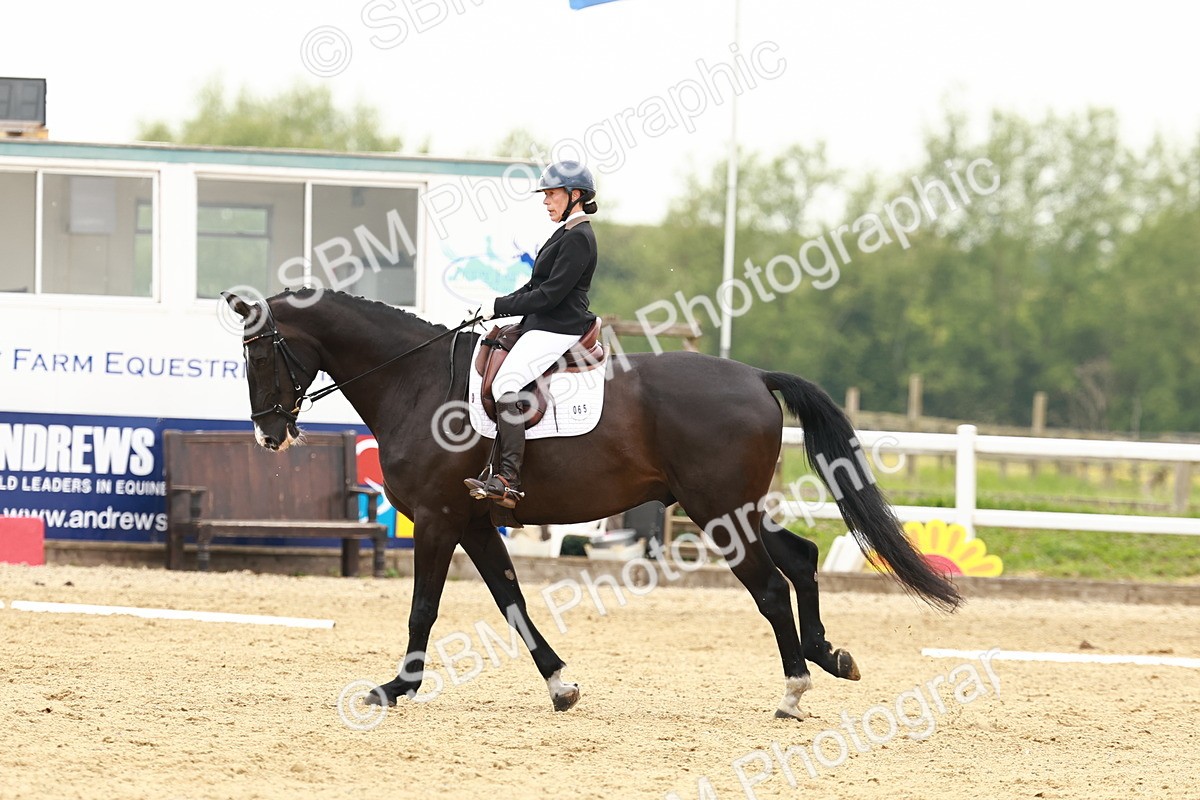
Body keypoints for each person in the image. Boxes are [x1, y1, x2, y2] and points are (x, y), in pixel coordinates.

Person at [464, 160, 599, 508]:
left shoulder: (580, 238)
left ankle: (509, 479)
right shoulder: (563, 234)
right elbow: (534, 285)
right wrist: (496, 304)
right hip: (543, 323)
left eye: (552, 194)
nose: (546, 201)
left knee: (505, 383)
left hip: (560, 327)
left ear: (576, 195)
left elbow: (550, 295)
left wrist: (500, 305)